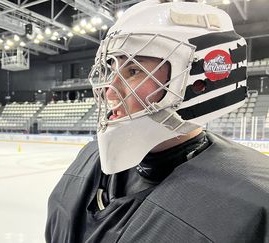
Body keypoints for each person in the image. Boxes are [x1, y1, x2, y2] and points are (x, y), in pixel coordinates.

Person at [45, 0, 269, 242]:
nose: (109, 92)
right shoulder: (89, 160)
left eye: (133, 71)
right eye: (112, 69)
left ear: (199, 81)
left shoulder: (252, 204)